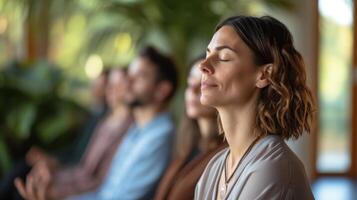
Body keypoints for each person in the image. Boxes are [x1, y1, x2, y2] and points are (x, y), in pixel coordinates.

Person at [195, 16, 315, 200]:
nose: (203, 66)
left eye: (224, 57)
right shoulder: (214, 168)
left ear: (264, 74)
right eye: (208, 54)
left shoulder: (274, 168)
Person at [66, 46, 178, 200]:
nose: (128, 82)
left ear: (162, 90)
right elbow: (105, 193)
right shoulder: (137, 130)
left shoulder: (160, 135)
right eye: (130, 75)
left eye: (139, 76)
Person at [15, 68, 133, 200]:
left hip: (85, 186)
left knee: (28, 186)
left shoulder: (129, 129)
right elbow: (82, 162)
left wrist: (56, 174)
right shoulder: (104, 121)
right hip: (76, 177)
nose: (111, 90)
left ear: (130, 87)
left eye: (119, 85)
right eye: (110, 85)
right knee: (25, 176)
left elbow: (96, 178)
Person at [154, 56, 226, 200]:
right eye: (190, 83)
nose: (192, 91)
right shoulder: (186, 146)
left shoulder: (227, 153)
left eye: (202, 84)